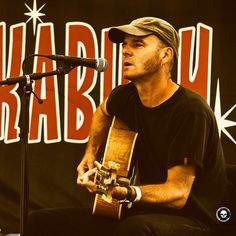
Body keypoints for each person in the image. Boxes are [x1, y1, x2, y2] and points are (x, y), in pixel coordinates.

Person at [26, 17, 231, 236]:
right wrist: (91, 152)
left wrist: (128, 192)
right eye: (125, 45)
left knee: (133, 229)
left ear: (165, 55)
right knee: (39, 221)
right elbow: (103, 112)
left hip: (196, 220)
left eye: (138, 44)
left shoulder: (191, 111)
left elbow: (178, 193)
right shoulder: (125, 96)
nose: (125, 51)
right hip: (143, 212)